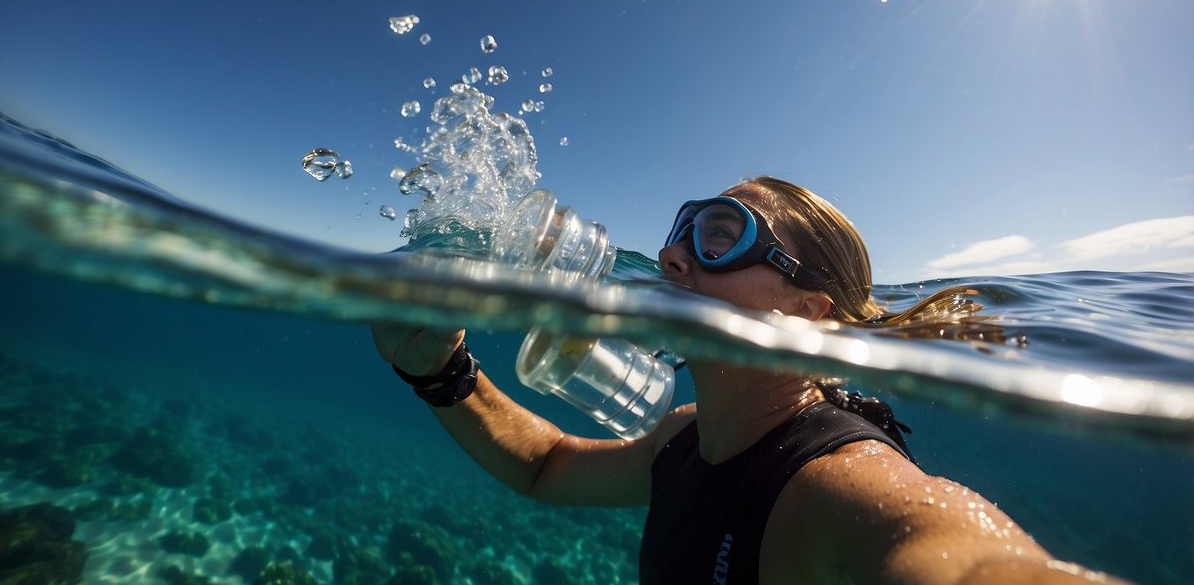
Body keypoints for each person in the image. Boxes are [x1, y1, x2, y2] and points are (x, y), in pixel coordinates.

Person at [371, 176, 1128, 584]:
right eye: (683, 229)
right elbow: (546, 468)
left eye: (721, 236)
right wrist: (441, 373)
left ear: (808, 311)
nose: (671, 258)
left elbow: (972, 561)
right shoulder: (685, 433)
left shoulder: (842, 490)